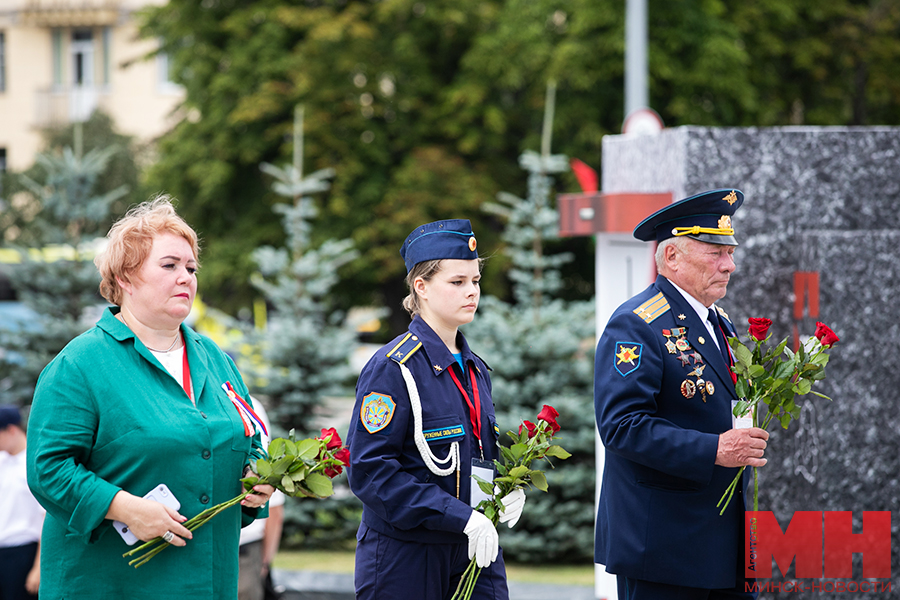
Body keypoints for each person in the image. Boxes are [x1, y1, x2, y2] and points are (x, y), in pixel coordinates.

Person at [26, 196, 275, 600]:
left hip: (208, 582)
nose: (186, 278)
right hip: (111, 586)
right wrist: (123, 508)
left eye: (191, 268)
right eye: (170, 265)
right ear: (125, 277)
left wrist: (256, 481)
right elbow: (47, 469)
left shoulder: (215, 359)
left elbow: (249, 441)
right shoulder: (80, 364)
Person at [594, 189, 770, 600]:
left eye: (729, 251)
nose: (730, 264)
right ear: (672, 257)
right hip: (664, 546)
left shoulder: (716, 320)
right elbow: (622, 427)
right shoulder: (636, 324)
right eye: (715, 252)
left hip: (719, 541)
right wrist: (715, 448)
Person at [347, 219, 525, 600]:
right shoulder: (393, 367)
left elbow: (475, 455)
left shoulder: (475, 368)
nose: (472, 292)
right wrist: (461, 517)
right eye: (457, 282)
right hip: (407, 556)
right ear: (421, 287)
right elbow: (370, 471)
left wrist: (503, 492)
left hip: (474, 550)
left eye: (475, 281)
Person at [238, 397, 285, 600]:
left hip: (244, 548)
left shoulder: (246, 404)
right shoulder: (248, 404)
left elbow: (272, 499)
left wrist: (265, 562)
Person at [0, 405, 44, 600]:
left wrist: (38, 567)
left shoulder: (34, 464)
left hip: (22, 555)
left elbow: (45, 519)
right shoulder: (2, 462)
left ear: (11, 430)